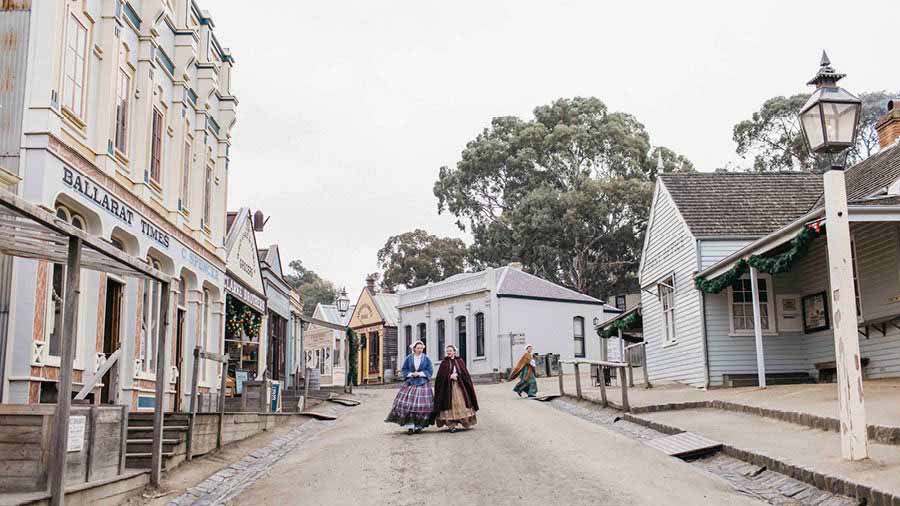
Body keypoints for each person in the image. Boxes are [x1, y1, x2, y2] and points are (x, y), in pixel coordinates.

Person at [385, 340, 435, 433]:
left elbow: (430, 370)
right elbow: (404, 369)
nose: (420, 350)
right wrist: (411, 374)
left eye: (421, 348)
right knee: (407, 404)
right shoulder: (409, 358)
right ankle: (410, 425)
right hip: (411, 382)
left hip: (423, 383)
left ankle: (419, 425)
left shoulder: (426, 358)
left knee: (423, 405)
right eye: (418, 348)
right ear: (414, 349)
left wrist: (420, 374)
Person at [433, 344, 479, 432]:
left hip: (459, 386)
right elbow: (440, 377)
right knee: (448, 404)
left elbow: (465, 374)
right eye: (447, 351)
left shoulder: (460, 361)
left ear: (454, 351)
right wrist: (449, 376)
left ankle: (464, 421)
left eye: (450, 351)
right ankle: (451, 425)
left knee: (461, 402)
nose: (449, 352)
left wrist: (458, 375)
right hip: (447, 388)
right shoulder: (444, 363)